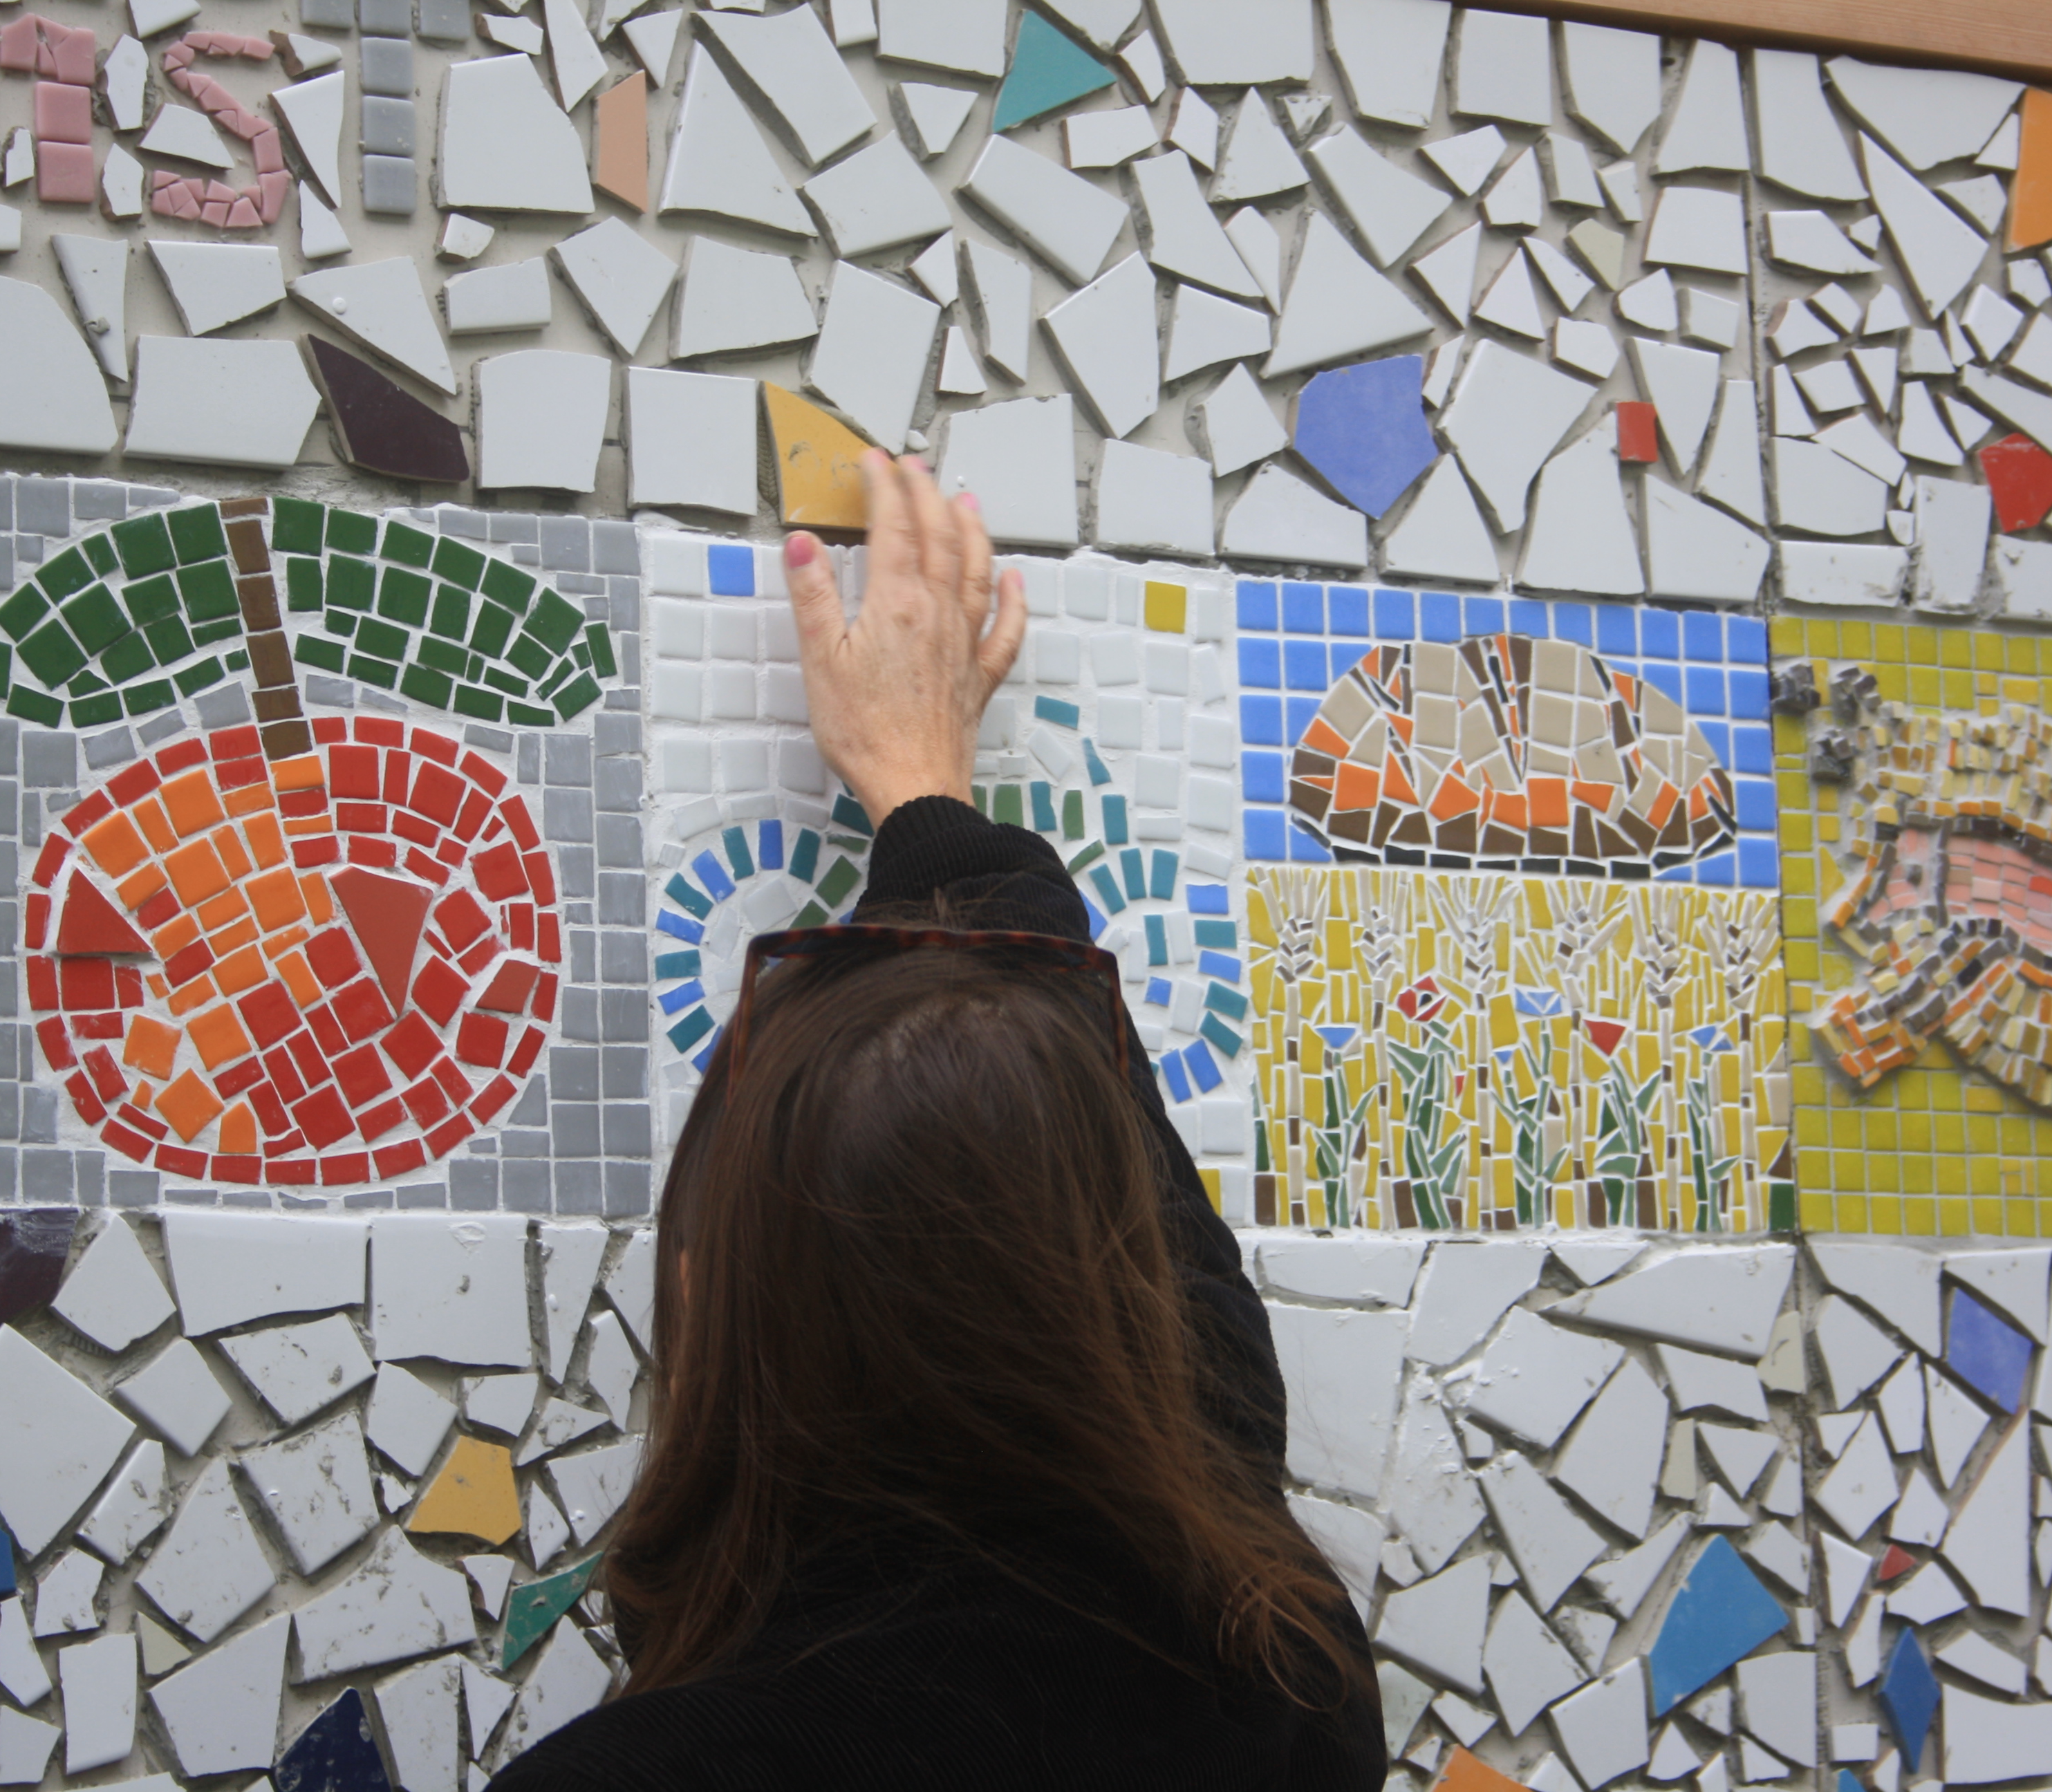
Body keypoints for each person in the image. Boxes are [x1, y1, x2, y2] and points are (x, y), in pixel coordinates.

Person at [488, 453, 1386, 1789]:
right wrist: (935, 818)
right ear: (1111, 1307)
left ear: (714, 1307)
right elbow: (1208, 1377)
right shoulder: (1287, 1692)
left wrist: (926, 810)